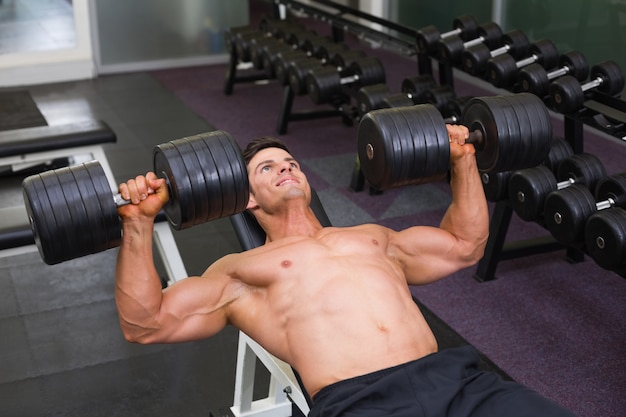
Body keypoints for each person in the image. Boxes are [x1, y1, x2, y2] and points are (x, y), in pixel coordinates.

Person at [115, 126, 577, 417]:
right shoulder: (239, 272)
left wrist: (464, 162)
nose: (286, 169)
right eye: (268, 167)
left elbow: (464, 246)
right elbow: (146, 323)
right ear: (246, 198)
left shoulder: (372, 237)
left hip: (456, 382)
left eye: (291, 162)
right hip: (361, 402)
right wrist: (137, 223)